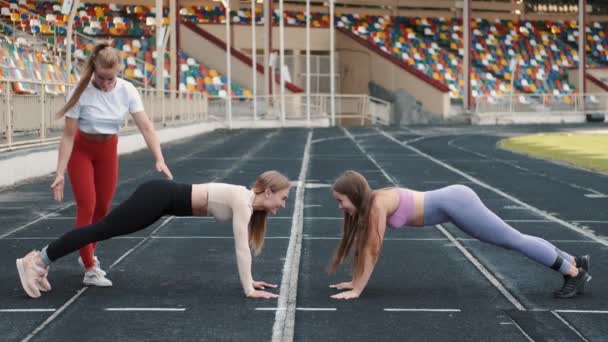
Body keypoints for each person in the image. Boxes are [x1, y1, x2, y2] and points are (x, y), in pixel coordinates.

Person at [16, 170, 289, 299]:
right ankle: (39, 261)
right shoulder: (243, 202)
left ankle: (41, 260)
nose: (282, 205)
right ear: (268, 192)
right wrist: (249, 289)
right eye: (283, 198)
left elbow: (244, 248)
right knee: (101, 229)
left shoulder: (247, 204)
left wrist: (252, 281)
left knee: (103, 230)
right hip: (159, 196)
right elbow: (241, 248)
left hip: (163, 201)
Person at [327, 170, 591, 300]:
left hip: (456, 203)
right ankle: (574, 262)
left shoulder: (376, 205)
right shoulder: (372, 202)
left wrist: (359, 288)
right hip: (453, 201)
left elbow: (373, 250)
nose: (340, 207)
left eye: (341, 201)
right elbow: (363, 247)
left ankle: (573, 273)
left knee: (513, 240)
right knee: (514, 237)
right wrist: (354, 280)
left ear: (355, 195)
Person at [51, 40, 173, 287]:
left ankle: (84, 248)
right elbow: (67, 135)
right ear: (93, 70)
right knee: (87, 205)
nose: (106, 85)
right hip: (81, 150)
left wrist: (159, 158)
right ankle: (89, 266)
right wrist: (60, 172)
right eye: (101, 78)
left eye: (111, 79)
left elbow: (146, 126)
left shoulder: (127, 90)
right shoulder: (81, 90)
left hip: (108, 150)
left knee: (103, 209)